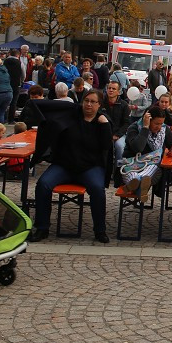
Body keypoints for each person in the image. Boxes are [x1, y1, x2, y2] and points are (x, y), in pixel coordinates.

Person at [29, 89, 114, 243]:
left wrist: (105, 125)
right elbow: (49, 110)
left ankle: (100, 230)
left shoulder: (102, 121)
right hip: (65, 165)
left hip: (90, 167)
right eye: (86, 101)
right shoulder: (71, 116)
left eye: (93, 102)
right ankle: (42, 228)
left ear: (99, 105)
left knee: (97, 189)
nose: (88, 104)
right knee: (43, 184)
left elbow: (107, 146)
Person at [121, 106, 172, 202]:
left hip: (151, 165)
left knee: (153, 167)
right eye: (156, 123)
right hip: (132, 164)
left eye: (161, 123)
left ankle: (136, 185)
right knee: (132, 174)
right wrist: (145, 128)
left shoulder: (164, 130)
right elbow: (138, 148)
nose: (159, 127)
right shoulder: (134, 128)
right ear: (148, 119)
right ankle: (140, 187)